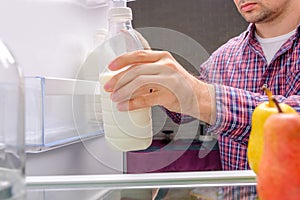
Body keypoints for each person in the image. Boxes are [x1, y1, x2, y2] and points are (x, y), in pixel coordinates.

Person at [104, 0, 300, 198]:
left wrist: (201, 96)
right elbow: (187, 111)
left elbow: (293, 122)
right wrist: (157, 82)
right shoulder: (225, 56)